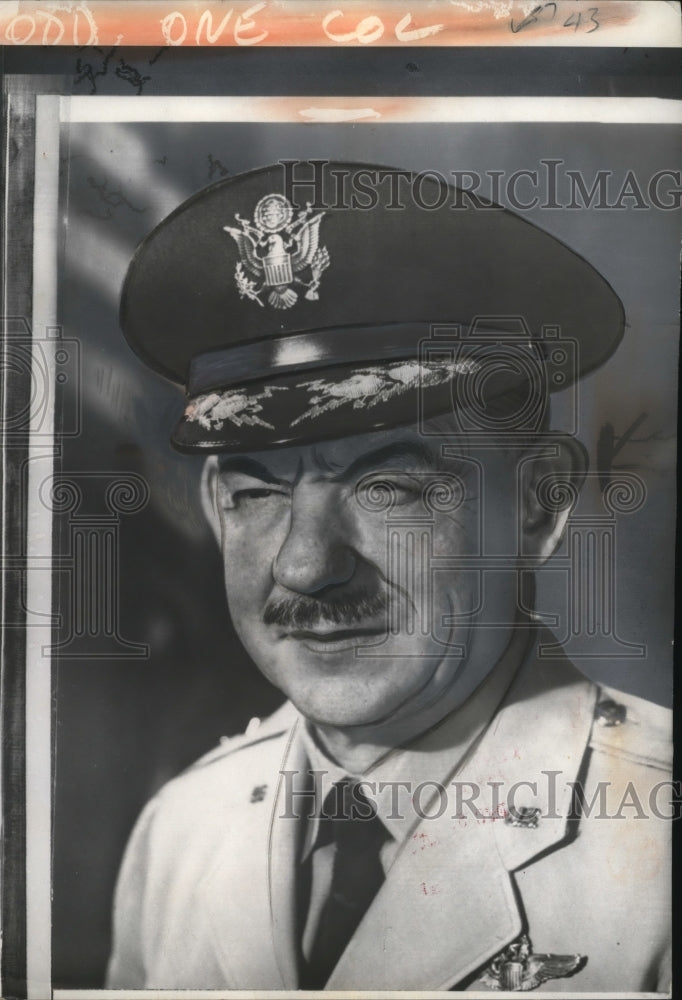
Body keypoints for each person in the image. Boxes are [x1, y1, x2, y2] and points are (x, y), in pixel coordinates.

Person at [106, 162, 671, 992]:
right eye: (257, 491)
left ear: (536, 506)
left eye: (388, 485)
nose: (305, 565)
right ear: (214, 506)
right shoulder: (180, 830)